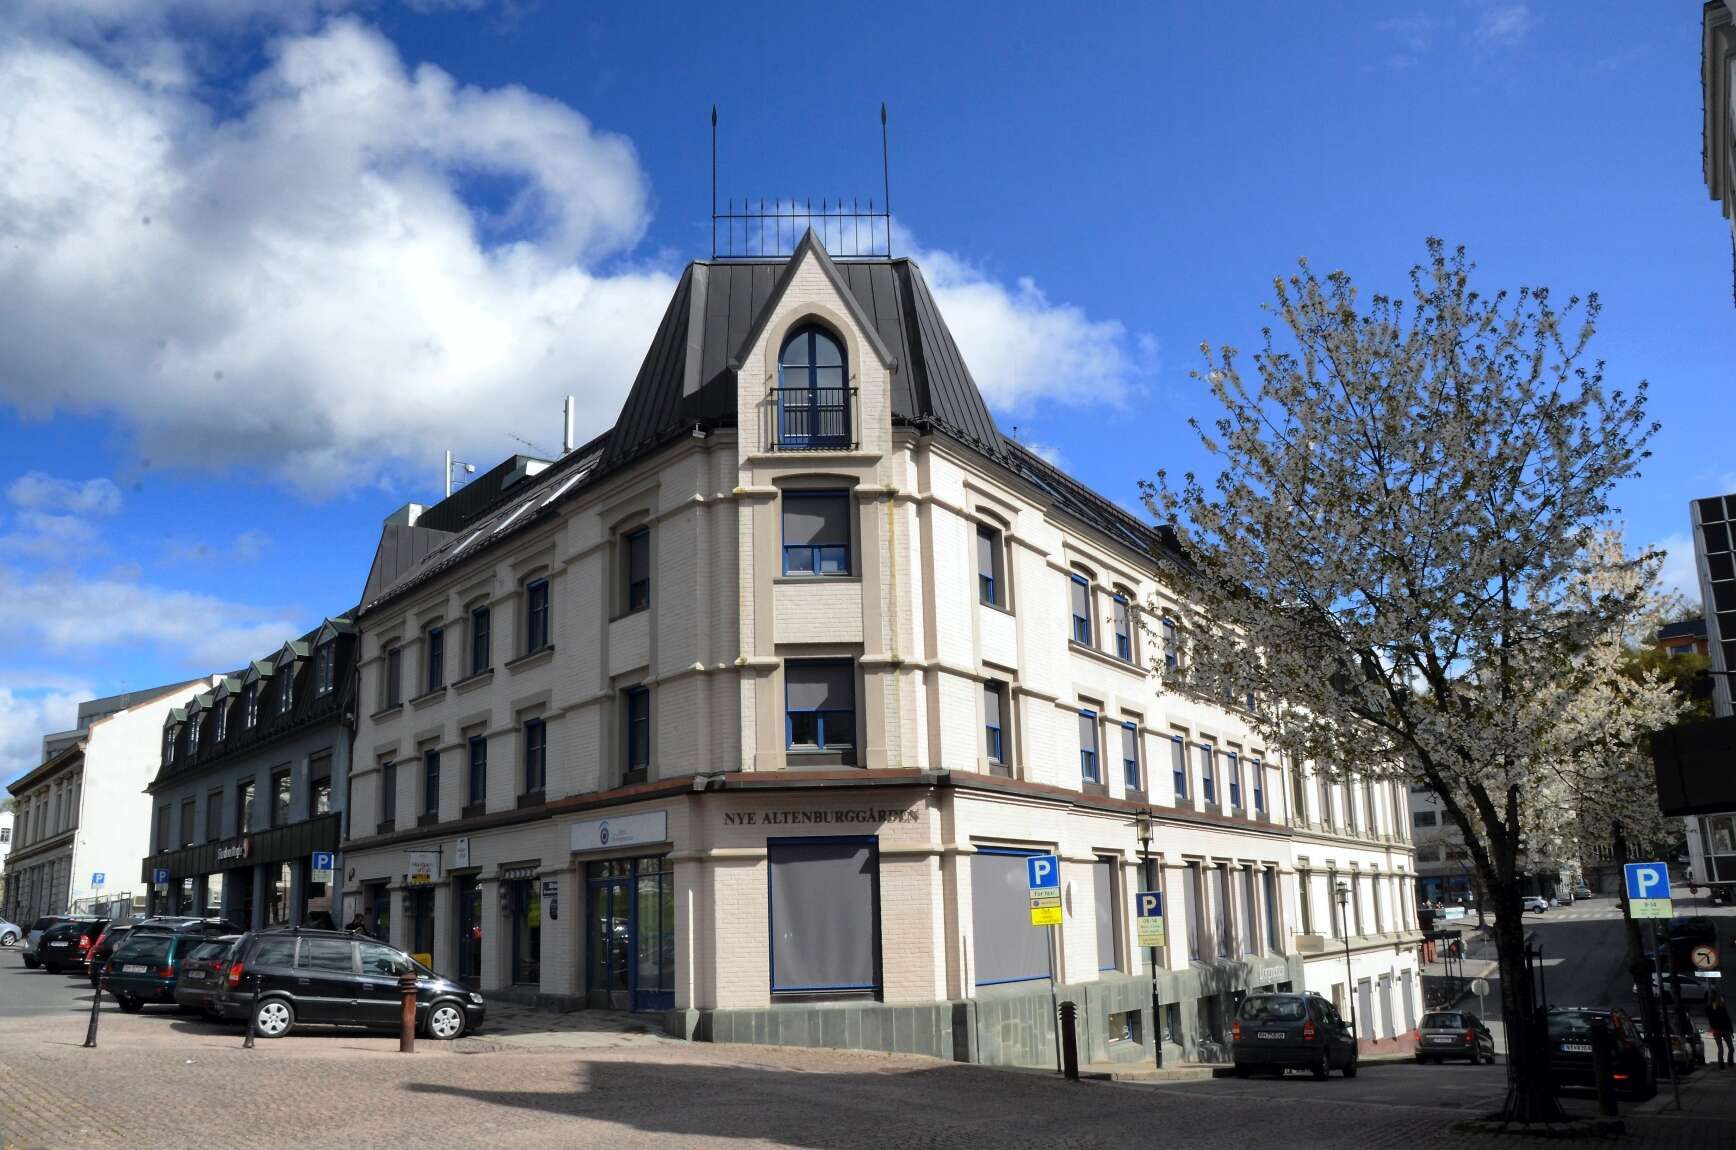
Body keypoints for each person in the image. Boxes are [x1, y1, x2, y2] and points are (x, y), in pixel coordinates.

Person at [1709, 992, 1733, 1069]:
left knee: (1731, 1048)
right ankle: (1721, 1066)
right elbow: (1711, 1019)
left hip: (1725, 1030)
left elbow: (1728, 1020)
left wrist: (1731, 1031)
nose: (1722, 1002)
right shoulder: (1711, 1009)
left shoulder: (1723, 1008)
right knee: (1721, 1049)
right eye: (1720, 1000)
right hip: (1717, 1031)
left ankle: (1730, 1063)